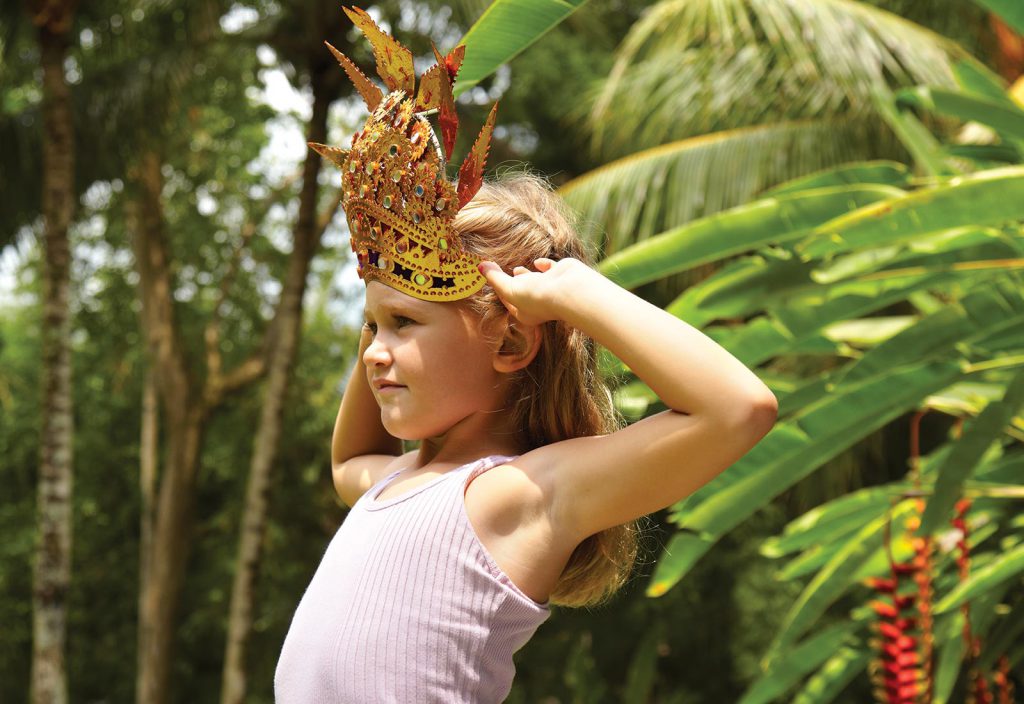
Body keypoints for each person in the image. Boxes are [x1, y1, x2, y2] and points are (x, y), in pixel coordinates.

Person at [274, 7, 778, 703]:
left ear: (509, 341)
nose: (374, 355)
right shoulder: (391, 481)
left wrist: (575, 294)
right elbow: (347, 462)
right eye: (371, 329)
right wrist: (386, 293)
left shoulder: (519, 495)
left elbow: (739, 409)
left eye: (404, 325)